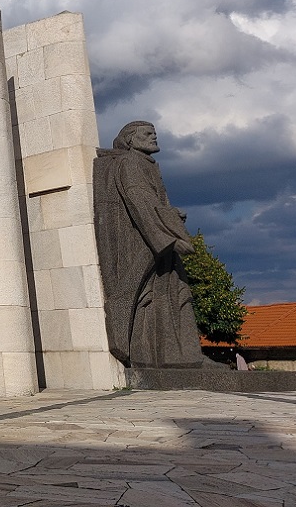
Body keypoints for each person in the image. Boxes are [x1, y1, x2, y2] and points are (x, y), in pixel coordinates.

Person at [94, 121, 222, 369]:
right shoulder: (130, 163)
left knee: (177, 296)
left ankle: (184, 356)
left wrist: (171, 215)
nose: (154, 137)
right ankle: (156, 357)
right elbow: (140, 201)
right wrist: (169, 237)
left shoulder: (147, 164)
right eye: (147, 134)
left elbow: (152, 202)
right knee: (150, 298)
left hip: (158, 239)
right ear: (130, 139)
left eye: (154, 133)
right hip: (146, 244)